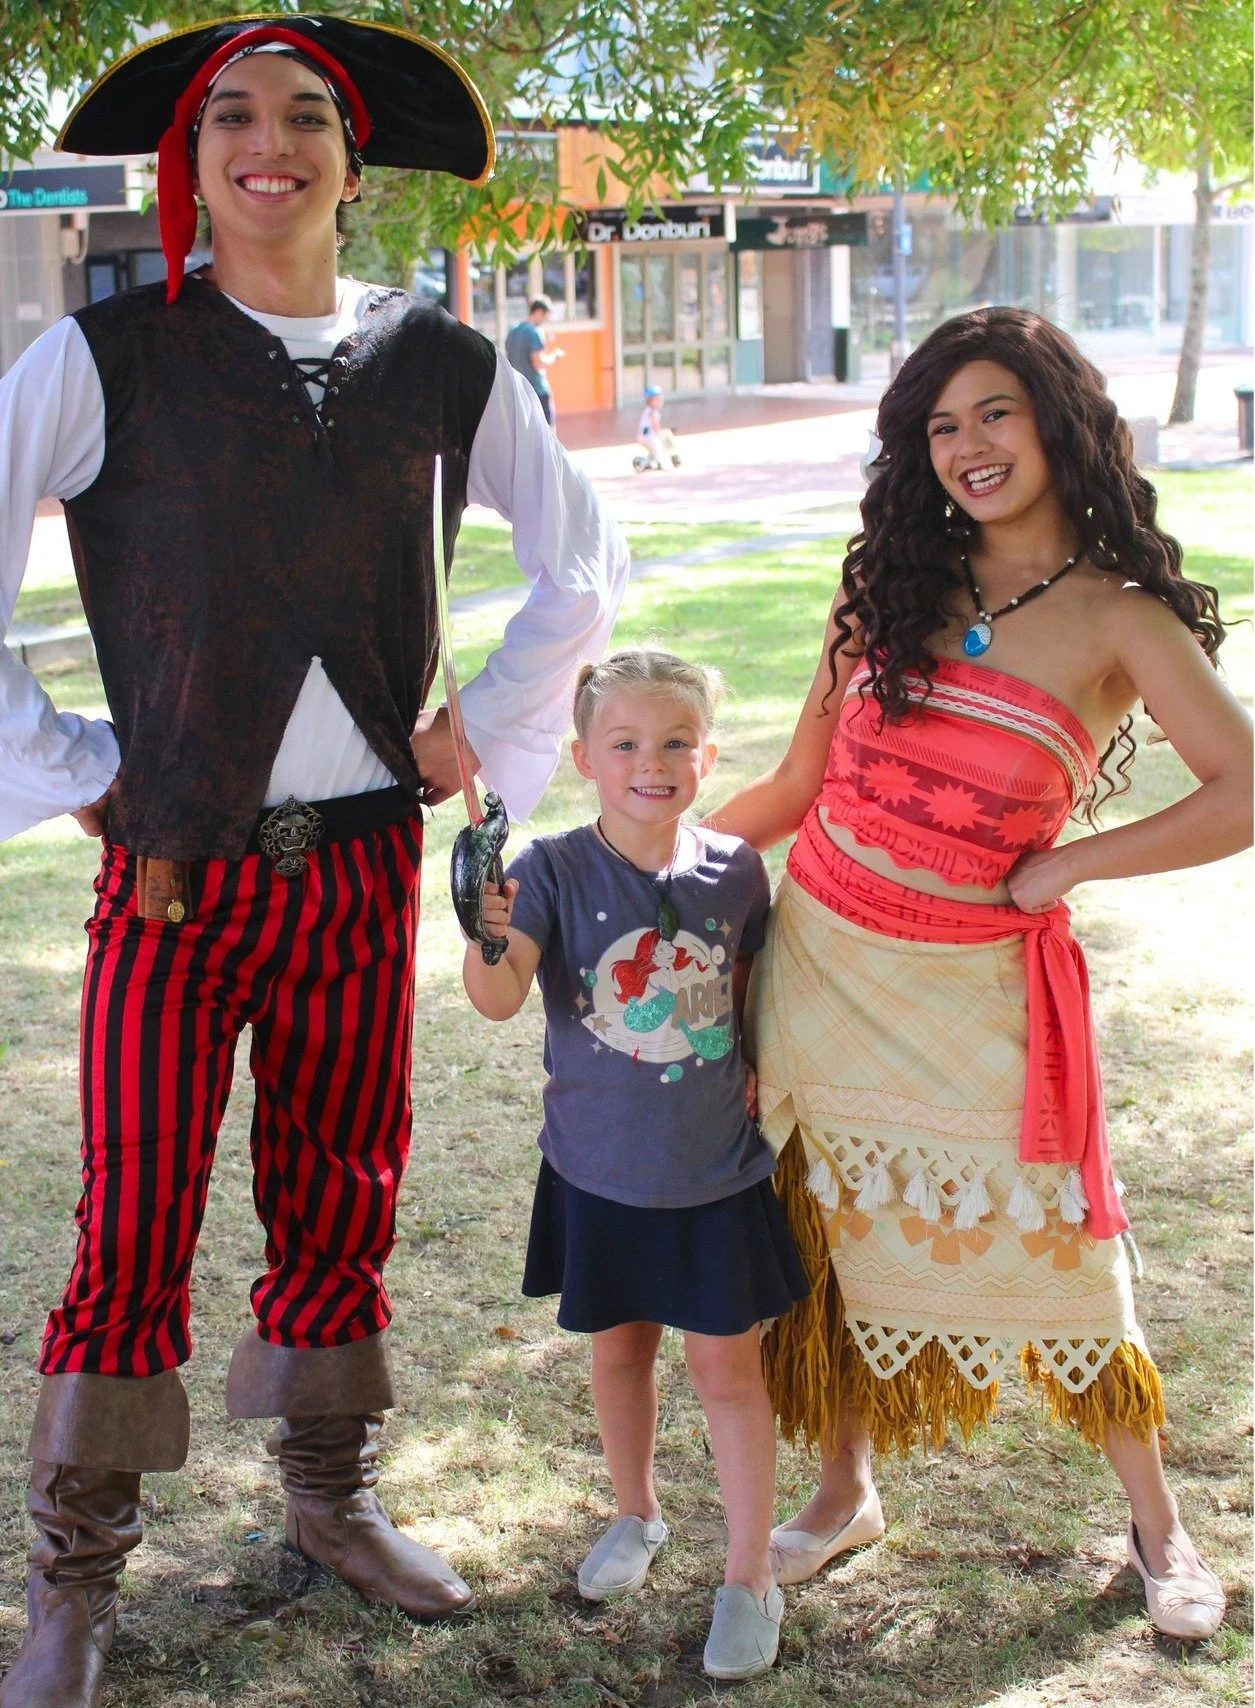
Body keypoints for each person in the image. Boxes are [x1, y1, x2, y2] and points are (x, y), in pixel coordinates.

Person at [0, 17, 628, 1707]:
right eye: (232, 115)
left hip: (360, 870)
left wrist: (489, 732)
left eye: (303, 117)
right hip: (176, 881)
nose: (265, 141)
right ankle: (70, 1577)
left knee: (339, 1190)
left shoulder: (441, 360)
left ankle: (329, 1498)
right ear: (194, 157)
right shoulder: (113, 357)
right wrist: (66, 760)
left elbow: (578, 555)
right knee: (132, 1216)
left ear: (351, 168)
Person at [708, 308, 1251, 1641]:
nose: (967, 447)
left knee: (1068, 1254)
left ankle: (1155, 1526)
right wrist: (623, 863)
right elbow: (791, 789)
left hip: (974, 993)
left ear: (1056, 420)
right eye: (940, 425)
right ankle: (843, 1492)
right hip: (817, 968)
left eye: (993, 412)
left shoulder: (1118, 620)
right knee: (823, 1242)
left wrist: (1071, 868)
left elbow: (1239, 791)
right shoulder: (886, 585)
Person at [461, 648, 808, 1681]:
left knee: (726, 1374)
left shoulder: (735, 869)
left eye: (672, 743)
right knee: (618, 1354)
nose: (648, 762)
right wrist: (483, 932)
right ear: (582, 757)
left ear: (705, 756)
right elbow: (496, 998)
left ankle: (748, 1575)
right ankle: (635, 1512)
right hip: (597, 1173)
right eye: (623, 743)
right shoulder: (552, 871)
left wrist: (753, 1061)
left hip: (713, 1178)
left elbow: (748, 988)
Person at [504, 293, 563, 428]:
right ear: (539, 312)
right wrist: (554, 355)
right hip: (537, 389)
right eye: (546, 315)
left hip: (518, 390)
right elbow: (539, 363)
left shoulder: (513, 330)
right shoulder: (535, 332)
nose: (546, 319)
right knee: (548, 431)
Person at [635, 384, 680, 471]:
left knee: (652, 453)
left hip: (643, 436)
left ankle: (644, 462)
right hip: (648, 437)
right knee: (658, 448)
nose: (660, 402)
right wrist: (660, 433)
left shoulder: (648, 410)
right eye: (658, 400)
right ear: (650, 401)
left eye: (661, 400)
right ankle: (660, 464)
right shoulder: (653, 412)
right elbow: (655, 425)